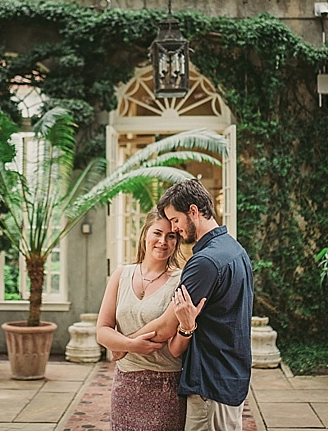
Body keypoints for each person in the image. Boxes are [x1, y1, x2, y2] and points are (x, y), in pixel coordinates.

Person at [131, 179, 254, 431]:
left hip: (210, 384)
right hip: (228, 377)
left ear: (194, 212)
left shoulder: (205, 262)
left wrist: (124, 343)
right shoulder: (235, 249)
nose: (174, 229)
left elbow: (166, 326)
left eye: (175, 220)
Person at [96, 208, 195, 431]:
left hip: (165, 386)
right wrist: (130, 346)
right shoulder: (122, 274)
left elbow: (171, 339)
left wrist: (119, 345)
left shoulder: (181, 280)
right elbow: (102, 330)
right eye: (157, 233)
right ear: (145, 235)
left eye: (171, 236)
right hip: (125, 383)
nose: (163, 242)